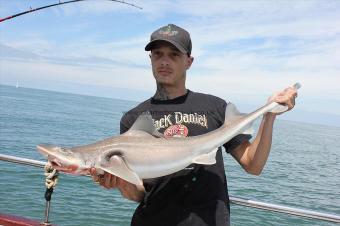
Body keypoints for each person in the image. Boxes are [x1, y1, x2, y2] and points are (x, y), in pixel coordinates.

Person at [90, 24, 298, 226]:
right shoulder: (134, 118)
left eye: (174, 54)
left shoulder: (215, 108)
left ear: (189, 61)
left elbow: (253, 164)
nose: (164, 61)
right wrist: (119, 182)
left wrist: (270, 116)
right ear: (150, 59)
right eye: (158, 54)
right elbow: (138, 194)